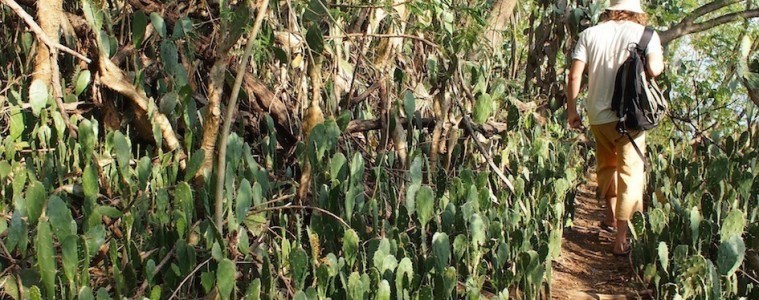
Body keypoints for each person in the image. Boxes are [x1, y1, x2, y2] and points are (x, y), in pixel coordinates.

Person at [565, 0, 665, 256]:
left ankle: (610, 216)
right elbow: (655, 70)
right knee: (630, 174)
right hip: (631, 118)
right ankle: (621, 239)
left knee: (607, 166)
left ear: (610, 9)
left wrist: (573, 110)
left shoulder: (590, 33)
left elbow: (575, 75)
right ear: (637, 11)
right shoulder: (647, 34)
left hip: (598, 116)